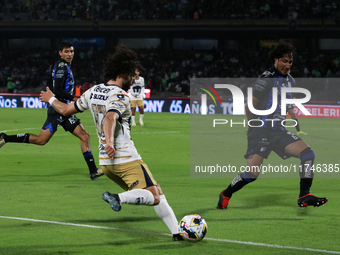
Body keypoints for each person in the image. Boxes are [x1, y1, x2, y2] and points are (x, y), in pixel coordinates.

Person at [39, 45, 184, 242]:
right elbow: (109, 118)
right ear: (122, 73)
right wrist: (110, 142)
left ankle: (177, 233)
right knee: (154, 196)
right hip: (125, 158)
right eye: (133, 75)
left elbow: (65, 110)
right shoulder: (120, 96)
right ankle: (117, 197)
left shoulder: (93, 91)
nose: (135, 79)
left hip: (106, 164)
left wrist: (51, 99)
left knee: (155, 190)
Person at [217, 42, 327, 210]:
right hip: (261, 130)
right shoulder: (266, 78)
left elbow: (287, 102)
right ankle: (226, 193)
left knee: (307, 153)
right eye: (284, 61)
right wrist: (253, 125)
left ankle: (304, 195)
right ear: (275, 59)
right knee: (252, 174)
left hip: (279, 131)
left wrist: (294, 118)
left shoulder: (289, 80)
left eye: (290, 61)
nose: (287, 65)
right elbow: (249, 105)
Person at [0, 41, 103, 180]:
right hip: (59, 109)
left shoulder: (60, 66)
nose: (69, 54)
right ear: (60, 53)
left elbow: (50, 82)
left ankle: (93, 171)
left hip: (64, 109)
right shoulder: (62, 67)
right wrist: (74, 98)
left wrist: (50, 91)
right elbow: (59, 89)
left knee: (84, 136)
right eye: (66, 51)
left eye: (71, 51)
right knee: (41, 140)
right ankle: (5, 138)